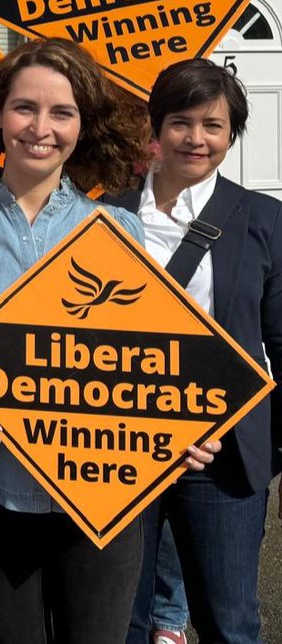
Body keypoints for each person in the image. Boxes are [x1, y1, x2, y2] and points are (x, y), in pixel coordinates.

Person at [0, 39, 218, 644]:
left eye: (61, 113)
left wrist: (184, 420)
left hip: (101, 498)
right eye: (24, 108)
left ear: (82, 124)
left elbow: (152, 356)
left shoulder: (117, 228)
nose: (41, 129)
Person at [107, 59, 282, 644]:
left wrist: (267, 444)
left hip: (222, 455)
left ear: (232, 133)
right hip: (117, 449)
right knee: (119, 621)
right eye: (181, 122)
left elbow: (279, 343)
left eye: (214, 125)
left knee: (230, 621)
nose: (197, 139)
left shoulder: (264, 219)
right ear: (156, 128)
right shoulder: (105, 214)